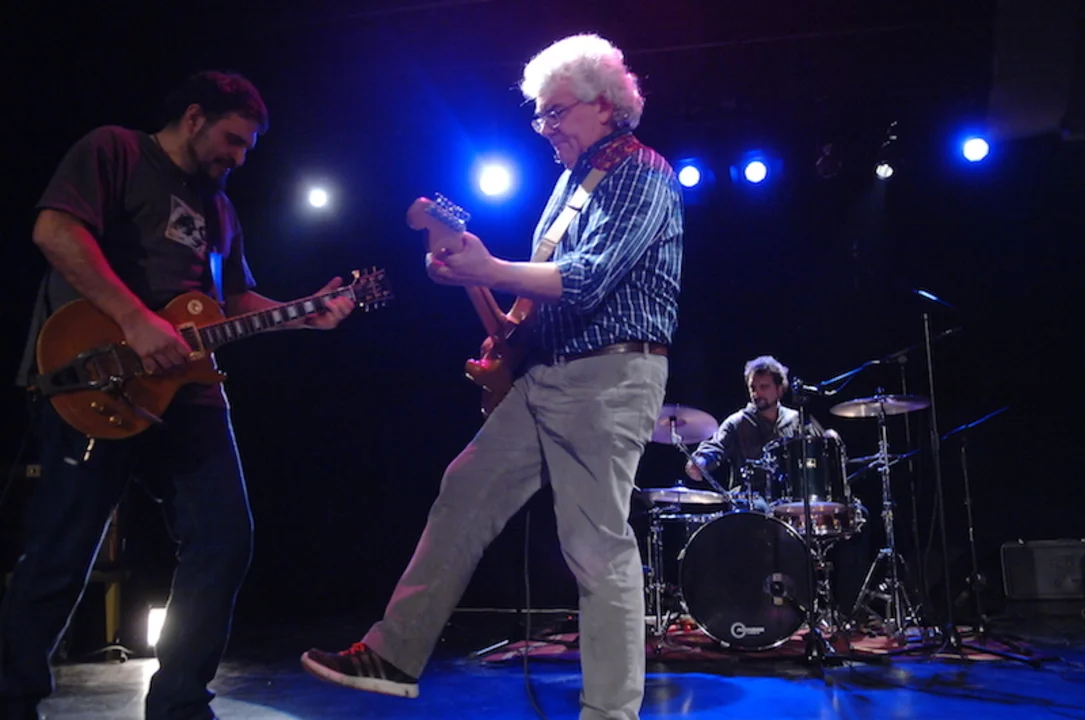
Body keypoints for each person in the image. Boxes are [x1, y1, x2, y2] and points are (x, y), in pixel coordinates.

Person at [301, 33, 682, 720]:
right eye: (539, 116)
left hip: (610, 374)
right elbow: (546, 293)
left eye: (556, 111)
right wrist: (498, 315)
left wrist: (491, 269)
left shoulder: (643, 171)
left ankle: (610, 714)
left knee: (595, 544)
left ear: (605, 105)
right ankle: (393, 655)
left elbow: (589, 279)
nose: (546, 128)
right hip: (546, 374)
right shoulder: (571, 184)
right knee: (463, 490)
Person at [1, 70, 354, 720]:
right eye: (232, 139)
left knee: (225, 539)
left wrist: (305, 314)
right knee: (62, 549)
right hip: (95, 376)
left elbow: (231, 302)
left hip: (188, 394)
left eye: (247, 147)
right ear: (194, 117)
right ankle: (12, 698)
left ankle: (180, 704)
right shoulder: (115, 150)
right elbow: (55, 231)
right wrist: (135, 320)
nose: (238, 157)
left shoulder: (220, 208)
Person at [685, 355, 830, 508]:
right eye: (753, 388)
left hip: (790, 499)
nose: (756, 394)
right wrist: (701, 461)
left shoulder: (796, 420)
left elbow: (822, 448)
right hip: (749, 501)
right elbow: (715, 447)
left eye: (764, 387)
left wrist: (830, 439)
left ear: (780, 389)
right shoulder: (737, 422)